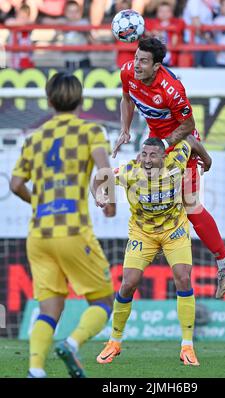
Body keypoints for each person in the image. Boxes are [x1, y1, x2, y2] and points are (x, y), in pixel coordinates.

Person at [113, 37, 225, 300]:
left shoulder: (172, 89)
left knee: (190, 204)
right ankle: (157, 242)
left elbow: (188, 126)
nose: (136, 65)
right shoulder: (128, 72)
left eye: (144, 61)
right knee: (149, 188)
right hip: (157, 143)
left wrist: (172, 144)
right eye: (136, 58)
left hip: (180, 143)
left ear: (157, 66)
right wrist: (125, 130)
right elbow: (126, 97)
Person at [10, 72, 116, 378]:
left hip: (38, 233)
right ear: (81, 101)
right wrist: (109, 202)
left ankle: (36, 370)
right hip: (72, 230)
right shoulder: (89, 131)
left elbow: (16, 184)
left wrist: (39, 204)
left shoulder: (35, 138)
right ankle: (72, 343)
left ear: (48, 101)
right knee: (102, 301)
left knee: (49, 309)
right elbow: (103, 166)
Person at [93, 136, 205, 365]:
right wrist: (100, 193)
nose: (146, 159)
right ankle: (114, 341)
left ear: (163, 157)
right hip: (142, 233)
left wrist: (206, 158)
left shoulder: (176, 163)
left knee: (183, 278)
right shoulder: (129, 171)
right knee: (128, 283)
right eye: (144, 154)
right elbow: (101, 177)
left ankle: (187, 347)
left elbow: (191, 142)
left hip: (174, 230)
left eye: (153, 155)